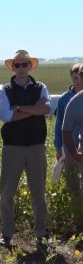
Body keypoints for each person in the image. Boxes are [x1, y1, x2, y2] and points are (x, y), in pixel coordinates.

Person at [0, 50, 51, 251]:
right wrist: (32, 109)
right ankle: (7, 234)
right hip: (12, 148)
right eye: (17, 65)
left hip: (36, 146)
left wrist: (19, 108)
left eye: (24, 64)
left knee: (38, 193)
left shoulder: (41, 87)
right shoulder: (5, 90)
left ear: (30, 66)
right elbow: (5, 116)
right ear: (13, 67)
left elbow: (46, 109)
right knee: (6, 193)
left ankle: (41, 234)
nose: (21, 68)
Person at [54, 63, 83, 232]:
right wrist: (59, 147)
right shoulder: (67, 100)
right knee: (73, 182)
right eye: (76, 77)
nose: (78, 81)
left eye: (80, 77)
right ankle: (78, 221)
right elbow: (61, 127)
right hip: (71, 146)